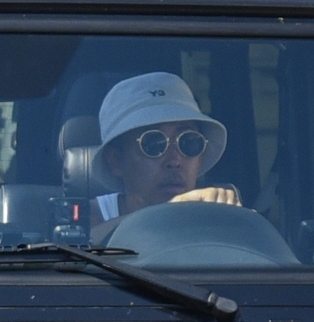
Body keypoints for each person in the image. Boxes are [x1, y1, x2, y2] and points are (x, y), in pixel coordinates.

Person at [89, 72, 240, 224]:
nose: (174, 161)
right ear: (116, 162)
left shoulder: (216, 215)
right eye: (154, 144)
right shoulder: (90, 220)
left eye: (189, 142)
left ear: (200, 157)